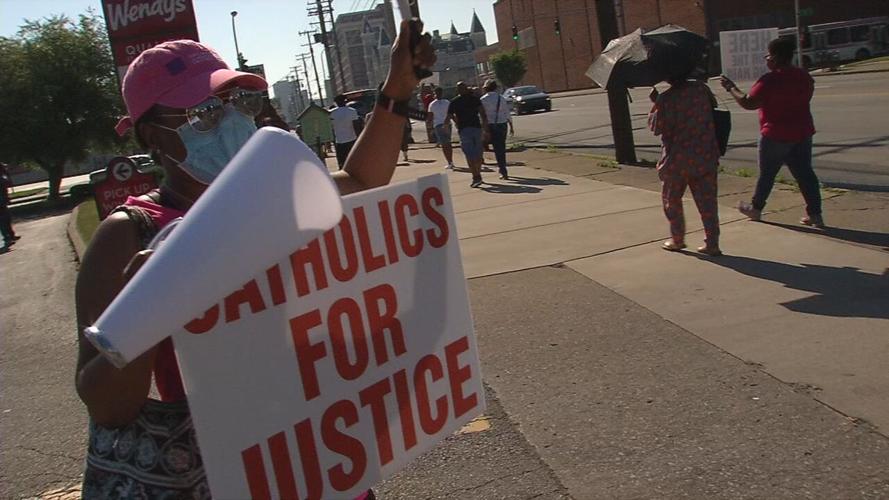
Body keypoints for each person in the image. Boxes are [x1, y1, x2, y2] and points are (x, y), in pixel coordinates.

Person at [75, 22, 435, 497]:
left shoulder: (273, 196)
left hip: (324, 456)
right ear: (152, 137)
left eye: (236, 103)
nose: (231, 122)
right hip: (232, 475)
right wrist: (145, 313)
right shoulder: (128, 234)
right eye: (203, 113)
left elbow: (361, 181)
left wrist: (397, 89)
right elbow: (106, 407)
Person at [721, 37, 823, 228]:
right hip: (802, 132)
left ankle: (756, 208)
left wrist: (730, 88)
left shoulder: (770, 80)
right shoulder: (803, 76)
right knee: (805, 175)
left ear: (775, 58)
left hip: (775, 134)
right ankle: (815, 215)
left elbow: (748, 102)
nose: (766, 59)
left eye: (767, 56)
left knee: (767, 175)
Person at [648, 72, 722, 256]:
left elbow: (657, 128)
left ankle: (677, 239)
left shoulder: (666, 98)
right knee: (708, 202)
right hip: (705, 155)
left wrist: (656, 103)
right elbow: (714, 106)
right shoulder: (701, 89)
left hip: (676, 160)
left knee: (672, 200)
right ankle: (712, 243)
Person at [447, 81, 489, 187]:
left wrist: (453, 122)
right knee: (476, 154)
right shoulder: (474, 99)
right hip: (474, 129)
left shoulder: (455, 101)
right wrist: (485, 128)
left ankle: (476, 176)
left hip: (467, 129)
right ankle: (477, 175)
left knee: (471, 154)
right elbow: (483, 114)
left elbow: (449, 116)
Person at [480, 80, 515, 180]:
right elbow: (507, 113)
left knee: (496, 148)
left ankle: (502, 169)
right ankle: (503, 169)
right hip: (502, 124)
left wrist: (483, 128)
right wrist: (511, 125)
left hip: (490, 125)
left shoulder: (483, 99)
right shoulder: (501, 98)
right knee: (501, 148)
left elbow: (482, 115)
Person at [329, 93, 361, 169]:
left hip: (339, 141)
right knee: (354, 161)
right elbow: (356, 126)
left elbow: (331, 128)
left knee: (342, 163)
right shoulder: (352, 111)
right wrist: (359, 138)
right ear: (345, 101)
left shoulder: (331, 113)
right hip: (352, 139)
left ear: (336, 103)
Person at [428, 87, 455, 169]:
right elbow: (451, 114)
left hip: (438, 125)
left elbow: (430, 117)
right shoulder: (447, 102)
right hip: (448, 124)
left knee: (444, 144)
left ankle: (450, 162)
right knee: (448, 143)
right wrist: (456, 122)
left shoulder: (432, 104)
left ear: (434, 93)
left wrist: (430, 128)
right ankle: (451, 160)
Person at [0, 163, 19, 253]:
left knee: (7, 219)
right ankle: (7, 237)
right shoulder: (2, 178)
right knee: (3, 220)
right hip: (1, 202)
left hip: (2, 201)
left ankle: (10, 235)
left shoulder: (2, 177)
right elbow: (7, 182)